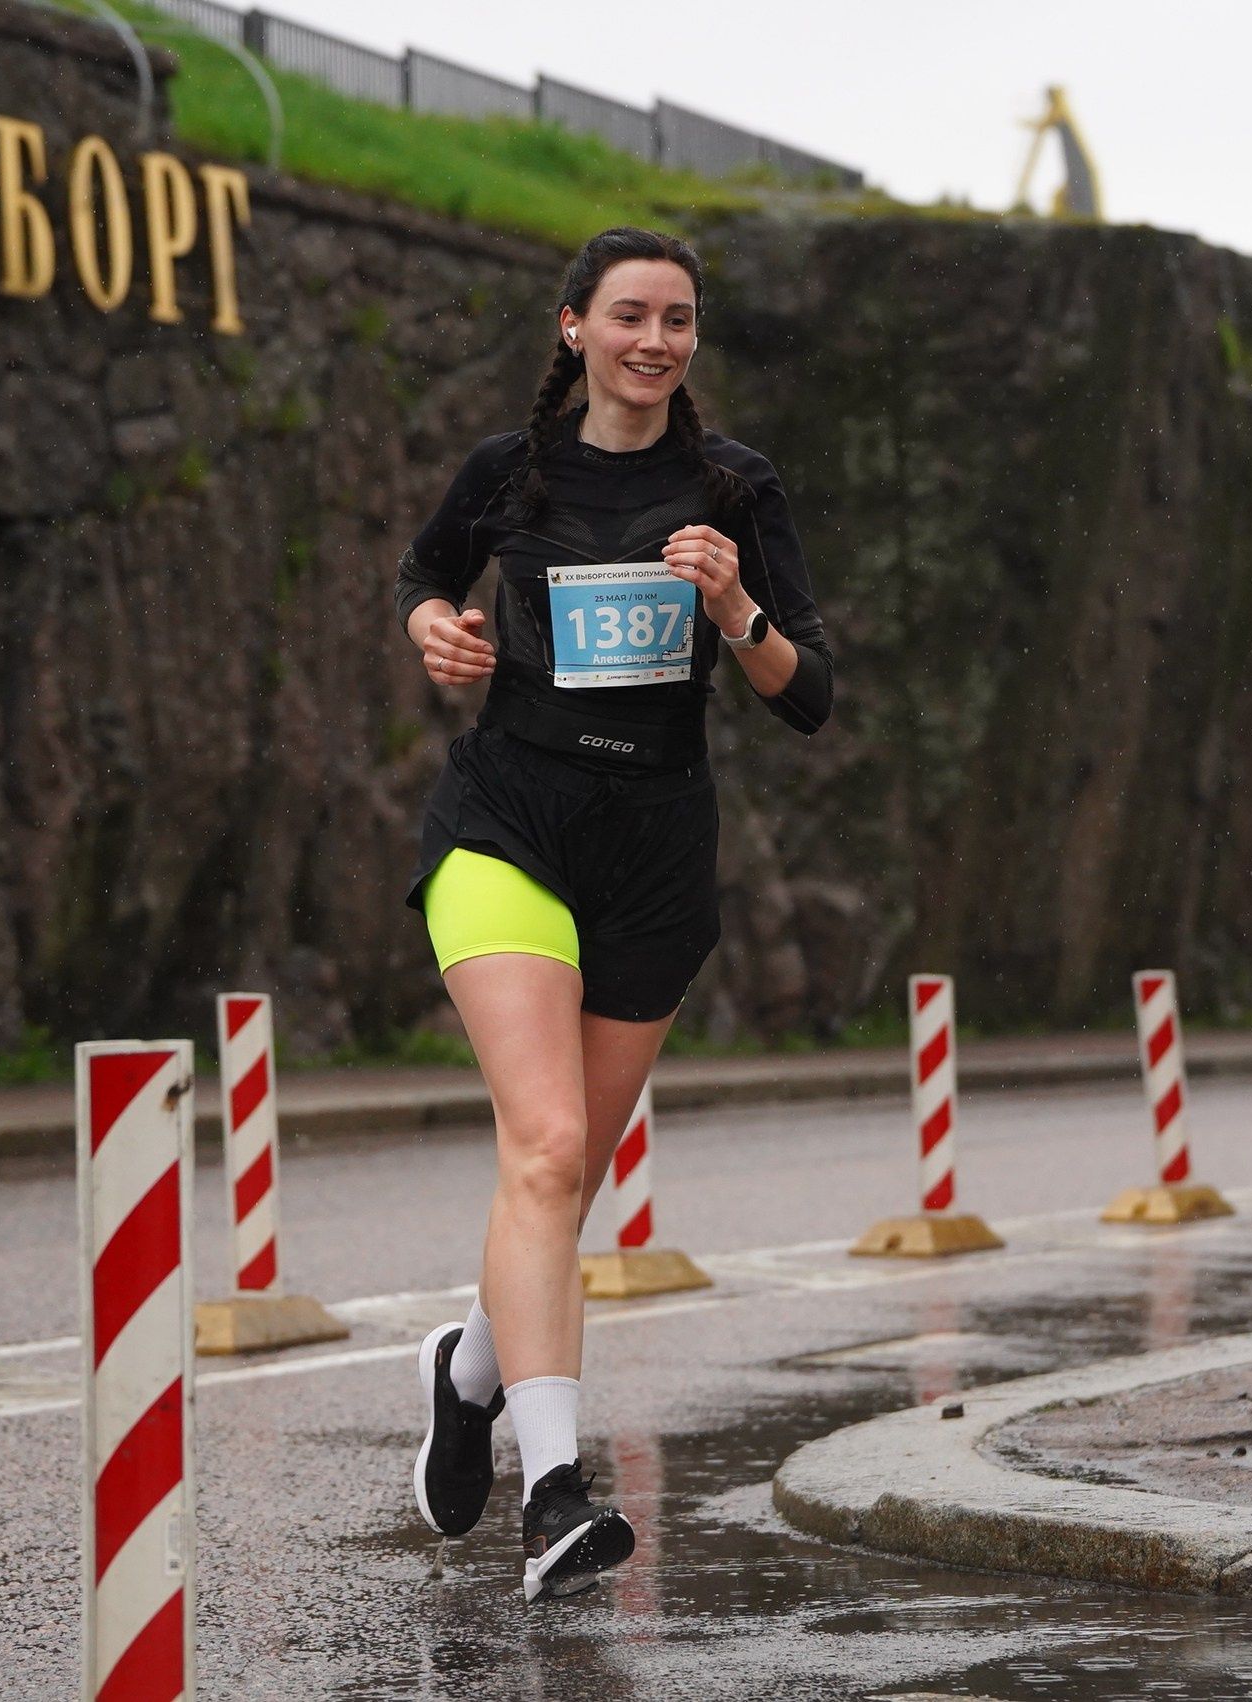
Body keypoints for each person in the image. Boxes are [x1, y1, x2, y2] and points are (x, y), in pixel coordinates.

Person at [393, 227, 833, 1601]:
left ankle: (468, 1373)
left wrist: (735, 602)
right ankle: (559, 1495)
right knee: (550, 1143)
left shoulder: (735, 487)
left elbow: (807, 688)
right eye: (630, 314)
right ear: (573, 326)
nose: (657, 339)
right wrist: (434, 630)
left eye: (680, 319)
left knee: (560, 1177)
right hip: (509, 827)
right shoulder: (508, 475)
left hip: (654, 847)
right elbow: (424, 578)